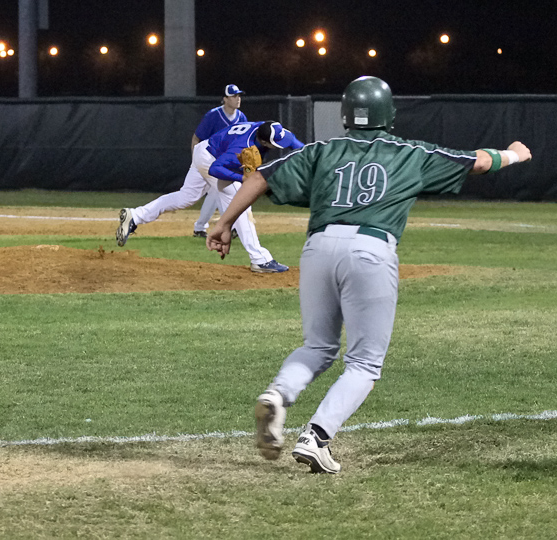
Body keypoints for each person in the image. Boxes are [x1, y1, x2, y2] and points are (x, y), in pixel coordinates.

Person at [206, 76, 532, 473]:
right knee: (363, 364)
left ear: (345, 114)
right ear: (388, 114)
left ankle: (277, 395)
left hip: (318, 248)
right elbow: (479, 161)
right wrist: (515, 154)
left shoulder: (322, 150)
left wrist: (224, 222)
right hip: (371, 249)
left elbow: (260, 176)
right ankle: (317, 437)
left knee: (318, 346)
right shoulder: (409, 152)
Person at [118, 120, 303, 273]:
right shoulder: (242, 146)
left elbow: (297, 146)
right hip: (210, 159)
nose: (281, 145)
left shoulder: (271, 129)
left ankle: (135, 215)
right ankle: (260, 259)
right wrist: (243, 178)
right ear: (263, 142)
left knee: (186, 197)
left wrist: (312, 157)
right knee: (240, 200)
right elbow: (216, 169)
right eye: (275, 144)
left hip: (207, 149)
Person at [191, 84, 248, 238]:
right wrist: (195, 160)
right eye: (234, 96)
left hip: (228, 162)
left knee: (214, 193)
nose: (238, 99)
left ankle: (200, 227)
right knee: (217, 192)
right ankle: (232, 226)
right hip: (209, 160)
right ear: (225, 99)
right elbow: (197, 138)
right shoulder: (213, 115)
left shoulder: (241, 117)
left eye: (238, 95)